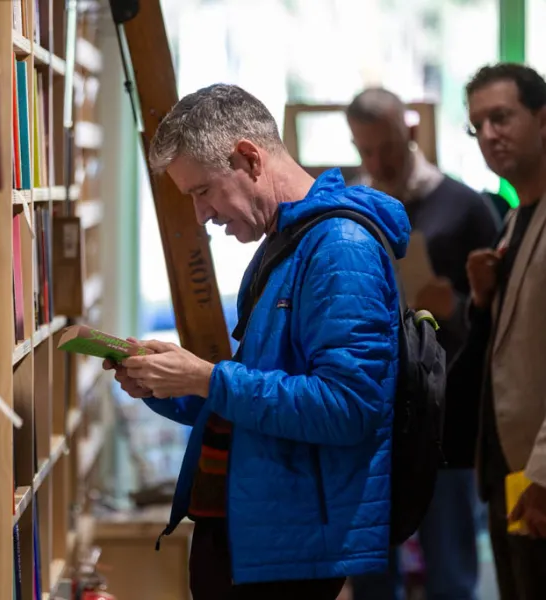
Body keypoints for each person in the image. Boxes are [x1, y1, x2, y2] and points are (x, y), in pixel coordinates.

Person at [103, 83, 410, 600]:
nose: (200, 215)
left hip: (290, 545)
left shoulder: (339, 249)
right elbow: (260, 391)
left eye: (202, 191)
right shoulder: (288, 243)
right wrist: (169, 386)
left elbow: (348, 406)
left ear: (249, 158)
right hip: (261, 531)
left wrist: (204, 377)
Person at [345, 87, 499, 600]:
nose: (378, 161)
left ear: (409, 133)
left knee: (451, 571)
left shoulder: (465, 206)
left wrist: (454, 303)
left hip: (448, 418)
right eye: (365, 150)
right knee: (369, 578)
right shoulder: (353, 209)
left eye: (387, 146)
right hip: (371, 416)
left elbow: (504, 317)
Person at [450, 62, 546, 600]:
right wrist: (484, 299)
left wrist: (543, 474)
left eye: (502, 117)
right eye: (478, 124)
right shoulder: (514, 217)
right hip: (506, 468)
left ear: (543, 119)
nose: (488, 134)